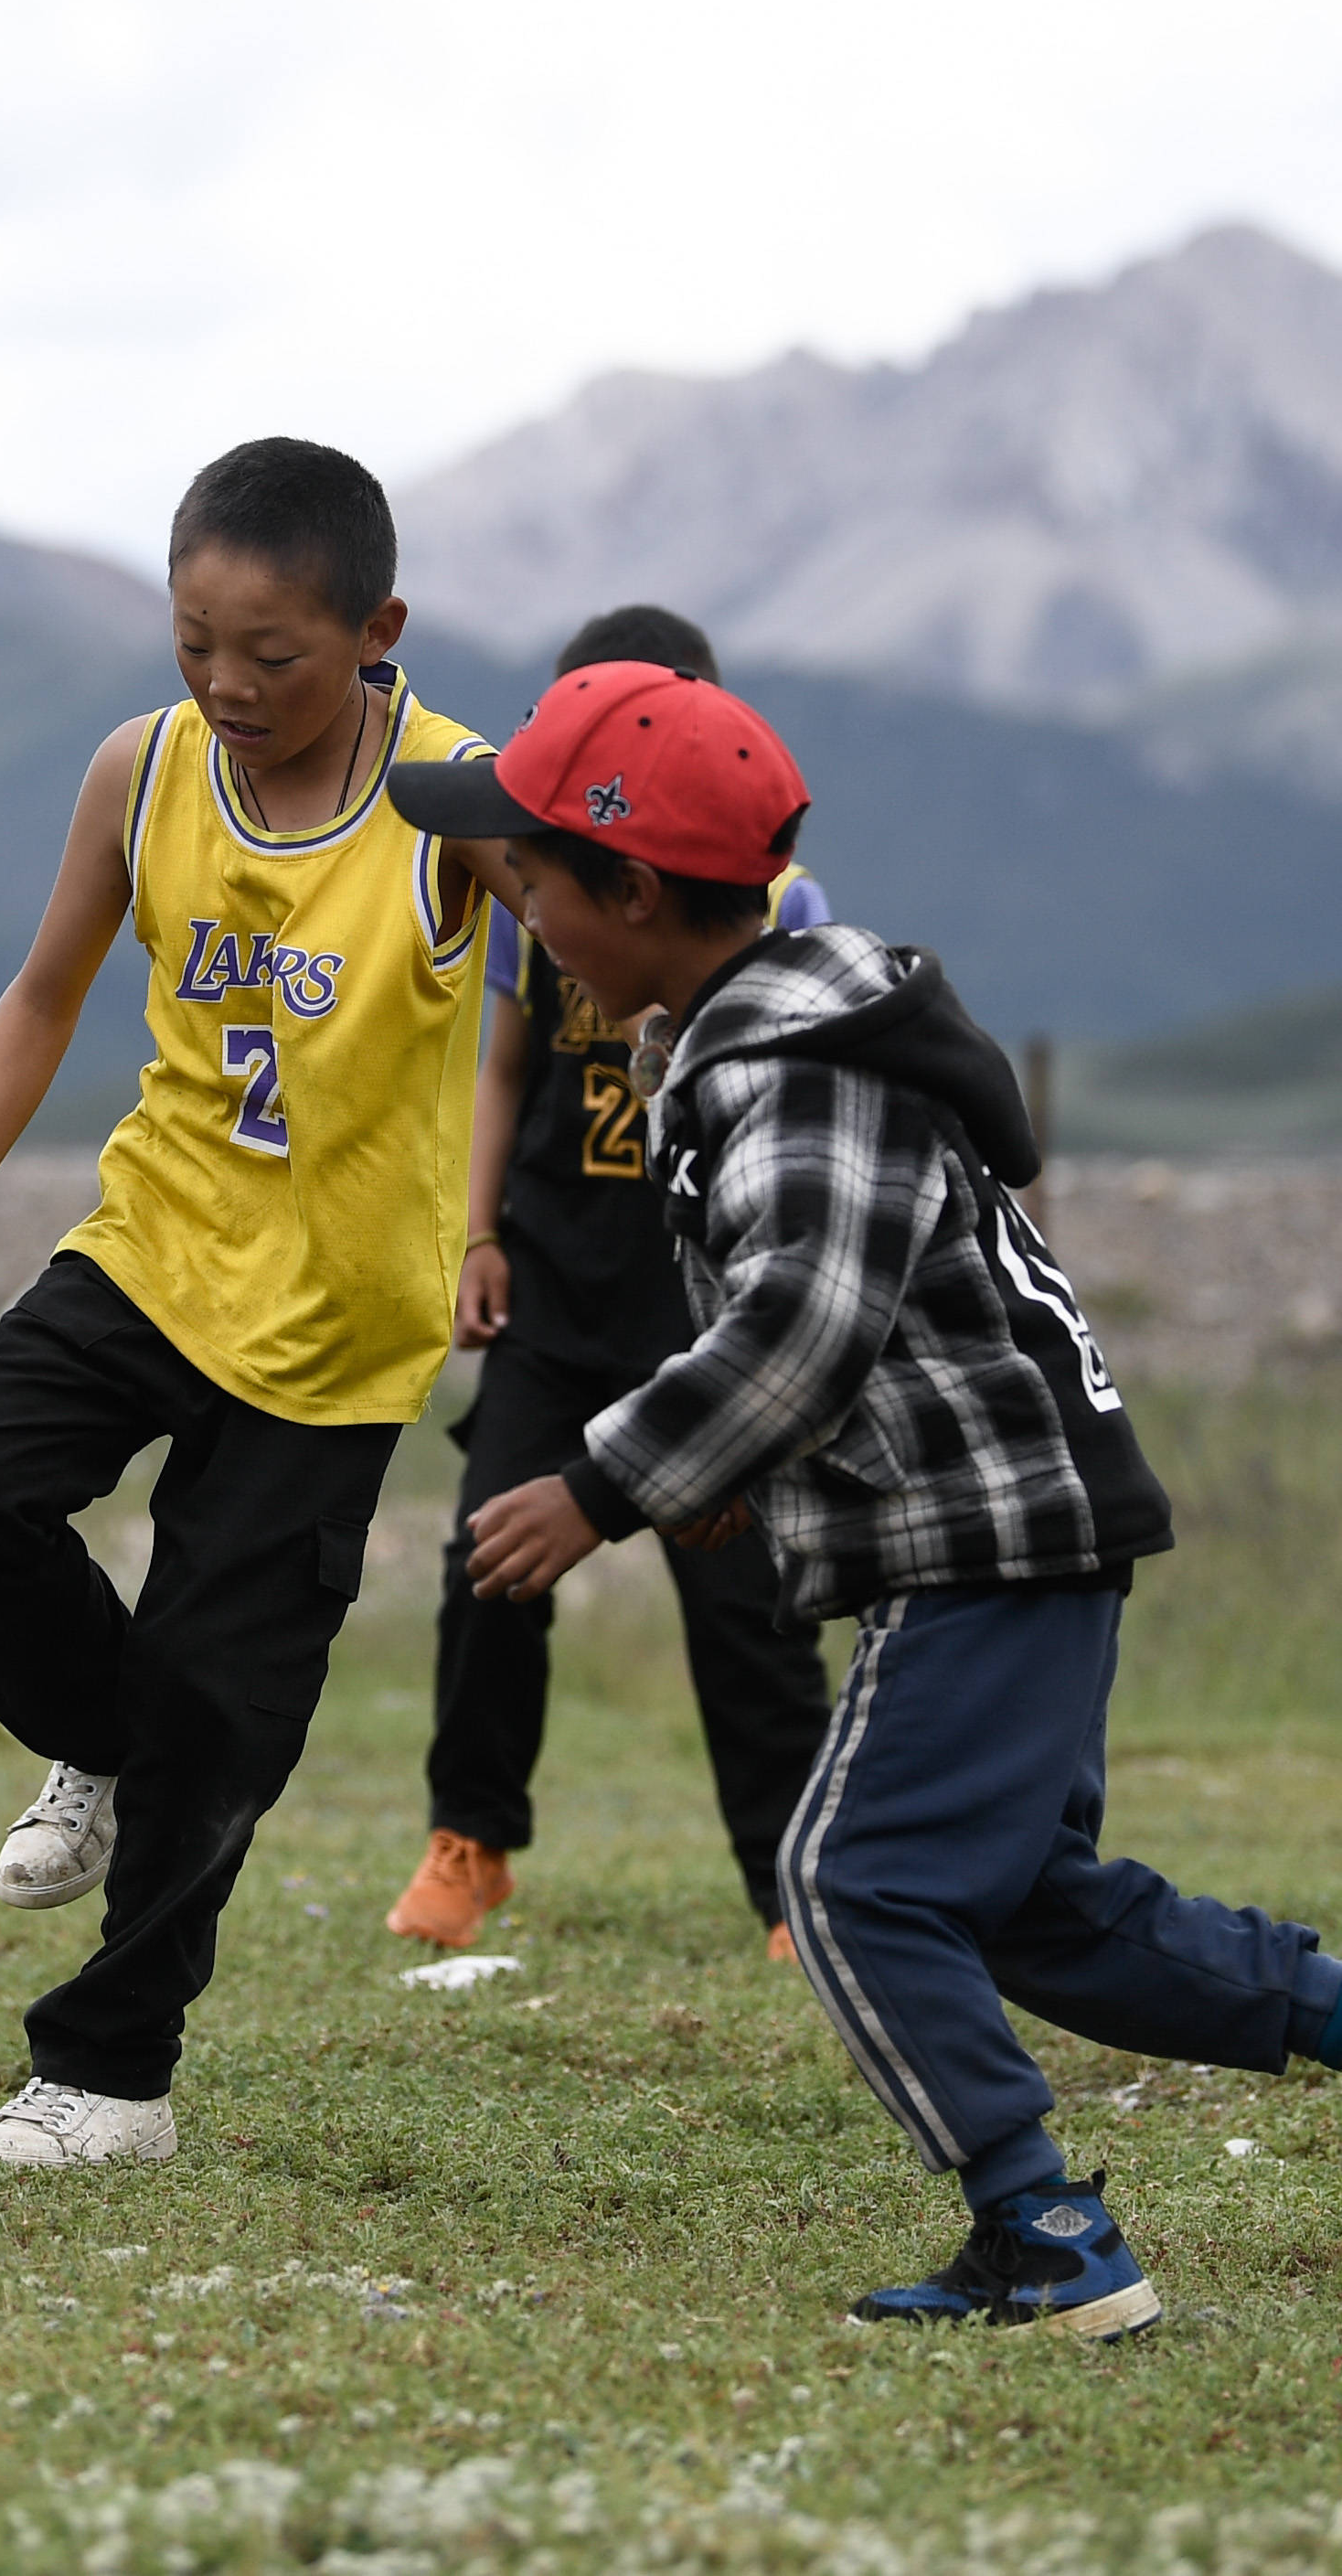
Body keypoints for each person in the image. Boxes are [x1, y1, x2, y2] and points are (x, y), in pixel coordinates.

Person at [388, 665, 1342, 2337]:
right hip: (1016, 1523)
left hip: (989, 1536)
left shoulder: (791, 1064)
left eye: (534, 878)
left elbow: (800, 1322)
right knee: (1014, 1904)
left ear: (631, 892)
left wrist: (602, 1484)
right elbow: (828, 1323)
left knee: (854, 1879)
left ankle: (1044, 2227)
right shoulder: (752, 1037)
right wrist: (740, 1478)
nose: (521, 908)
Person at [0, 437, 510, 2173]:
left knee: (224, 1703)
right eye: (192, 644)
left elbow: (598, 956)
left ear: (376, 630)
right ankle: (95, 1735)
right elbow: (44, 990)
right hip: (154, 1245)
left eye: (271, 657)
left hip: (341, 1331)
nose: (225, 687)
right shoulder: (141, 771)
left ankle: (111, 2081)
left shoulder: (454, 798)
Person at [389, 603, 837, 1962]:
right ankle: (470, 1839)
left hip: (697, 1312)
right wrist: (478, 1234)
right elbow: (503, 1065)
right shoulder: (549, 896)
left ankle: (789, 1882)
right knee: (490, 1561)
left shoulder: (775, 914)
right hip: (553, 1289)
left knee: (747, 1604)